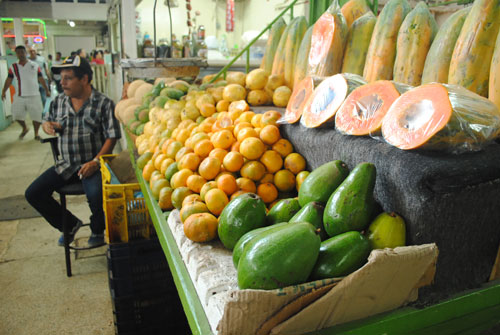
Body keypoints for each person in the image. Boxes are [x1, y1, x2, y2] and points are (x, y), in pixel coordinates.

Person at [25, 55, 121, 247]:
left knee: (96, 195)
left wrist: (95, 162)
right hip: (66, 165)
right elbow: (47, 120)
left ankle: (97, 230)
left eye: (68, 78)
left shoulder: (103, 103)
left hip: (93, 165)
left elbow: (112, 136)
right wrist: (47, 125)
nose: (63, 83)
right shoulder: (58, 101)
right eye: (61, 78)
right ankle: (68, 225)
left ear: (84, 79)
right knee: (33, 193)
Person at [1, 45, 50, 140]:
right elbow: (9, 79)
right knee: (16, 115)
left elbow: (41, 78)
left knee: (37, 116)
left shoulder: (34, 65)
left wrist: (46, 90)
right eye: (18, 52)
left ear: (25, 53)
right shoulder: (13, 66)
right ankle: (24, 128)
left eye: (22, 52)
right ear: (16, 54)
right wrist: (4, 91)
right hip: (19, 96)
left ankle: (36, 134)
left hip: (34, 95)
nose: (20, 54)